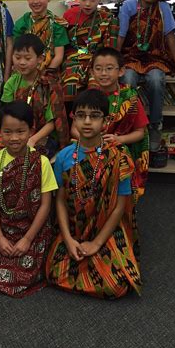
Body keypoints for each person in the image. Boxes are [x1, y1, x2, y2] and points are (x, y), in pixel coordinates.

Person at [46, 90, 141, 299]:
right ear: (74, 119)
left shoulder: (119, 157)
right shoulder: (63, 157)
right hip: (73, 227)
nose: (87, 122)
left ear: (105, 121)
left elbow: (119, 207)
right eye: (81, 115)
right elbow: (59, 202)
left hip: (105, 227)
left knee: (116, 286)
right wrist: (68, 239)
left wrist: (97, 243)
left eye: (94, 116)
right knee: (54, 273)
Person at [0, 101, 58, 298]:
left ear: (31, 131)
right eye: (7, 132)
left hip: (33, 228)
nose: (14, 138)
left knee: (31, 268)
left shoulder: (42, 162)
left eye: (21, 131)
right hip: (4, 226)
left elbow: (46, 204)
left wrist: (28, 239)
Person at [118, 0, 175, 151]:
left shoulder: (164, 8)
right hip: (130, 56)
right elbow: (120, 35)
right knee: (127, 80)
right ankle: (129, 126)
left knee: (156, 80)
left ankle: (155, 126)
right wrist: (113, 64)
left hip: (156, 58)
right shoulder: (128, 6)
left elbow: (170, 39)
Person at [86, 46, 149, 199]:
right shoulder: (88, 96)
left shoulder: (130, 98)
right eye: (98, 68)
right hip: (90, 145)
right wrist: (92, 140)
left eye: (109, 68)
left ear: (121, 71)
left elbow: (140, 133)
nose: (103, 73)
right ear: (92, 72)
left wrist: (119, 139)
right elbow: (75, 129)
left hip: (119, 148)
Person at [1, 34, 70, 156]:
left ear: (40, 59)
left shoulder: (49, 84)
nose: (22, 62)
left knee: (32, 157)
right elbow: (7, 116)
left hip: (42, 136)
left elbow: (53, 122)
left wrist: (32, 139)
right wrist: (17, 137)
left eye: (27, 58)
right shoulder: (11, 83)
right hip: (16, 133)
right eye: (17, 57)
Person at [62, 0, 119, 101]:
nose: (87, 4)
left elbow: (110, 49)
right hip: (73, 59)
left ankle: (97, 117)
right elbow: (63, 45)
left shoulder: (107, 18)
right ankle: (73, 117)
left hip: (97, 59)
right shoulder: (68, 15)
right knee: (69, 85)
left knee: (96, 87)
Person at [13, 0, 69, 73]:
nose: (35, 1)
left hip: (49, 71)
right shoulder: (22, 23)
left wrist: (45, 74)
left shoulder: (57, 24)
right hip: (24, 71)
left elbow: (59, 56)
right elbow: (16, 53)